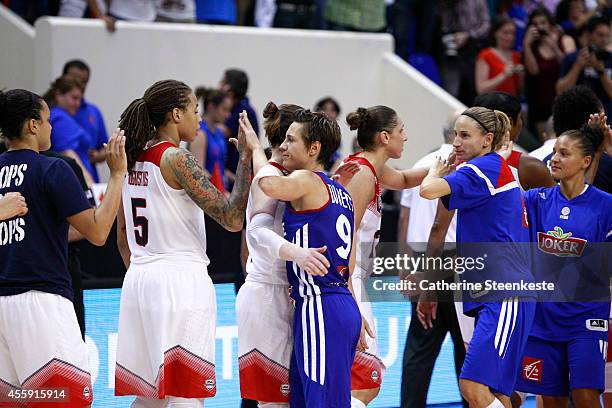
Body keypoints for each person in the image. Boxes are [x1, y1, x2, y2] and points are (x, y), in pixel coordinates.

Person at [113, 79, 260, 408]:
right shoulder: (177, 159)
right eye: (195, 110)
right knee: (187, 394)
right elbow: (232, 218)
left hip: (139, 278)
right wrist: (247, 159)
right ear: (176, 114)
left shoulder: (131, 158)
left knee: (151, 397)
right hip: (179, 281)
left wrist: (144, 273)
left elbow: (123, 235)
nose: (199, 118)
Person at [0, 88, 127, 406]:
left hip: (3, 305)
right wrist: (117, 175)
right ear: (32, 125)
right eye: (46, 120)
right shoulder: (53, 168)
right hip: (41, 302)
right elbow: (98, 232)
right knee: (66, 401)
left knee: (14, 401)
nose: (51, 127)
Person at [420, 107, 536, 408]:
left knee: (471, 387)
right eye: (455, 134)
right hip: (504, 291)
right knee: (496, 394)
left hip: (503, 292)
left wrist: (437, 169)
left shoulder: (479, 169)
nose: (455, 142)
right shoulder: (497, 168)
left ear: (487, 139)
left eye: (464, 135)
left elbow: (427, 190)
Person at [237, 102, 341, 406]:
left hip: (295, 294)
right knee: (274, 401)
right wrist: (298, 254)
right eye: (293, 138)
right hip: (267, 292)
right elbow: (256, 233)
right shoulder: (271, 175)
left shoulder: (291, 177)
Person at [259, 109, 362, 407]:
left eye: (291, 141)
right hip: (339, 300)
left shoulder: (305, 179)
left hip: (320, 304)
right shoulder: (339, 190)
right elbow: (351, 264)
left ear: (314, 148)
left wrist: (265, 156)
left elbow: (268, 185)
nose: (283, 146)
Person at [514, 121, 612, 408]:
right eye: (554, 152)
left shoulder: (605, 206)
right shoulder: (534, 200)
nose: (554, 158)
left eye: (564, 153)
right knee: (552, 399)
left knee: (585, 396)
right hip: (542, 319)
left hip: (585, 318)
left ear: (586, 161)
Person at [340, 105, 432, 408]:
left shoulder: (369, 167)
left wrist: (446, 166)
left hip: (352, 279)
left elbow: (406, 179)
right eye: (401, 130)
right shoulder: (361, 175)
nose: (405, 137)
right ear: (384, 136)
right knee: (366, 381)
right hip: (347, 280)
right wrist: (350, 297)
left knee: (357, 380)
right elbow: (343, 236)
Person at [398, 111, 468, 408]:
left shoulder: (421, 164)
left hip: (421, 259)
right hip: (455, 260)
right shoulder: (467, 169)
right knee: (465, 349)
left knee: (419, 350)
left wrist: (402, 264)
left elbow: (404, 218)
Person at [523, 7, 576, 138]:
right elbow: (533, 71)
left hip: (564, 99)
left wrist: (554, 46)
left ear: (550, 24)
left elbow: (570, 65)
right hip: (540, 101)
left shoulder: (565, 40)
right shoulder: (532, 46)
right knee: (546, 141)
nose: (540, 27)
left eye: (543, 23)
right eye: (535, 24)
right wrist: (526, 45)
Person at [62, 59, 109, 183]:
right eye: (74, 78)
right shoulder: (54, 114)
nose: (79, 84)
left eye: (83, 81)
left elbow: (105, 145)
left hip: (88, 178)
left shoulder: (93, 112)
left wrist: (99, 155)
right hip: (63, 179)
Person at [43, 75, 96, 186]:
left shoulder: (59, 116)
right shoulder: (60, 118)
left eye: (80, 99)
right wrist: (89, 183)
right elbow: (67, 152)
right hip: (78, 182)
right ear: (58, 95)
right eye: (74, 98)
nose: (78, 103)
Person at [556, 15, 612, 117]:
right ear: (588, 35)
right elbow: (560, 90)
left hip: (605, 121)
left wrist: (601, 71)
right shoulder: (572, 58)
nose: (604, 40)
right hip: (576, 119)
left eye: (607, 35)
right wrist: (577, 66)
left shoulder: (610, 59)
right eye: (600, 35)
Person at [189, 87, 232, 192]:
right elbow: (199, 172)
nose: (228, 114)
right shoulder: (200, 134)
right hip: (209, 194)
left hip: (221, 190)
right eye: (224, 109)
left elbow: (219, 166)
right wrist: (219, 192)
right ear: (211, 106)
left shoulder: (219, 132)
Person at [475, 16, 524, 97]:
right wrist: (503, 75)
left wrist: (521, 75)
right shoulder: (486, 55)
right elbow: (481, 89)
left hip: (511, 104)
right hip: (492, 105)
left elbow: (521, 90)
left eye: (512, 33)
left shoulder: (516, 56)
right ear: (495, 33)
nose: (510, 37)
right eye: (505, 33)